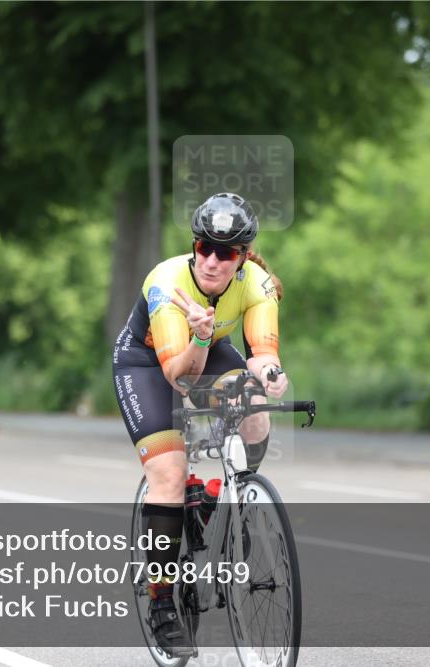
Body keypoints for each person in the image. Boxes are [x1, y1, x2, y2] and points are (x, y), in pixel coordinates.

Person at [111, 192, 287, 655]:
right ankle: (162, 602)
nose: (211, 260)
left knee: (254, 412)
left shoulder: (259, 285)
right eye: (203, 247)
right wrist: (203, 332)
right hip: (150, 364)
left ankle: (238, 502)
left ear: (243, 257)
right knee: (167, 475)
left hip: (207, 347)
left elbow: (262, 353)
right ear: (194, 245)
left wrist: (272, 376)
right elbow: (181, 377)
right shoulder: (167, 284)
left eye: (225, 253)